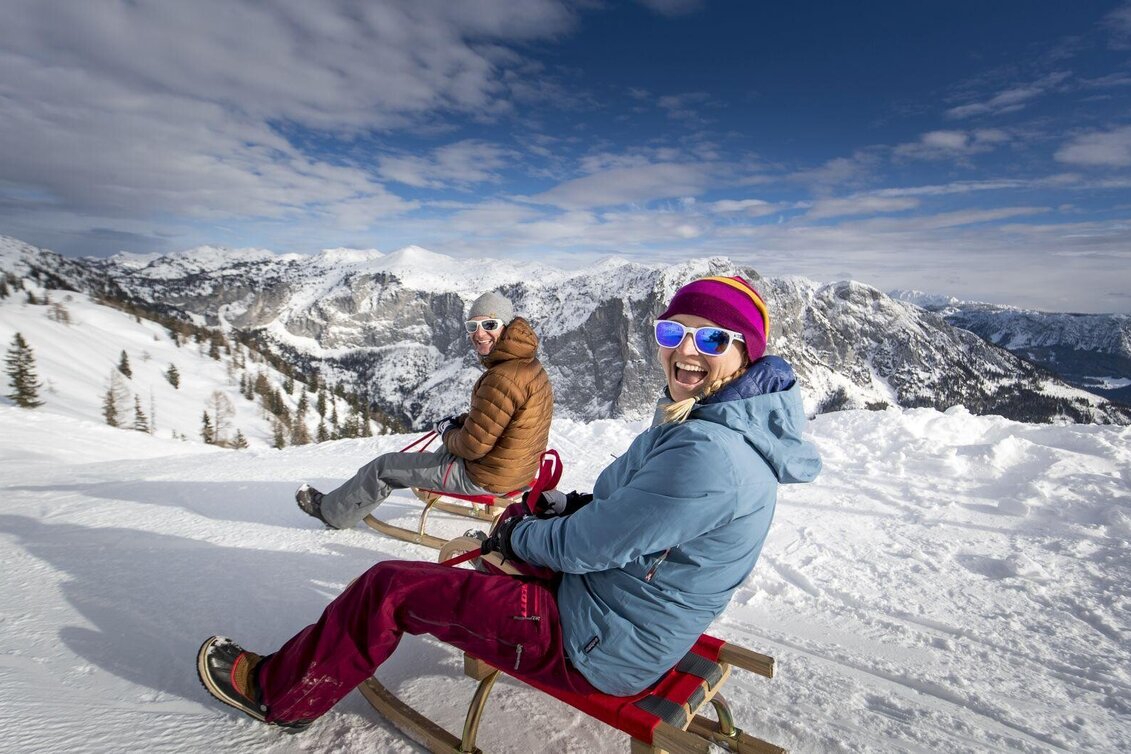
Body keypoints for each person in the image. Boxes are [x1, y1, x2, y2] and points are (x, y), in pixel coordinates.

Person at [197, 275, 822, 728]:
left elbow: (587, 546)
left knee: (389, 586)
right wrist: (560, 508)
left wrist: (517, 536)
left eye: (711, 340)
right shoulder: (705, 423)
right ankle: (479, 612)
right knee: (505, 539)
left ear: (746, 354)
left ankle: (279, 695)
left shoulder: (708, 453)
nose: (686, 351)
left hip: (597, 644)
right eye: (673, 332)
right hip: (618, 609)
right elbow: (622, 510)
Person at [295, 290, 554, 530]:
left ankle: (332, 513)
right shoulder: (528, 366)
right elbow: (503, 420)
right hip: (518, 472)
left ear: (506, 327)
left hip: (487, 476)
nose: (479, 333)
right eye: (472, 326)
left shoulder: (502, 378)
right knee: (441, 452)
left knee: (384, 466)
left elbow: (472, 447)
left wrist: (447, 431)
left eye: (489, 325)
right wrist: (462, 423)